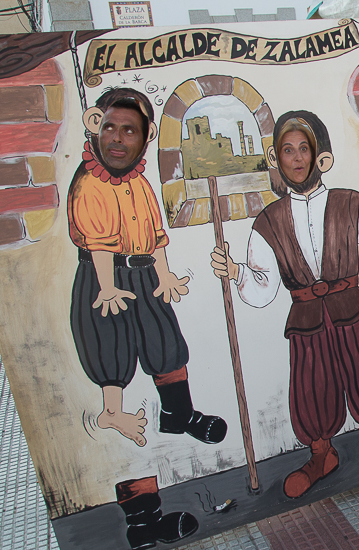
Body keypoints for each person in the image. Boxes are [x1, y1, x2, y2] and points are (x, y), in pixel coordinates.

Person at [210, 110, 359, 498]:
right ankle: (321, 453)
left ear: (319, 157)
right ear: (276, 159)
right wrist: (237, 272)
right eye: (287, 150)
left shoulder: (347, 203)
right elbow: (262, 283)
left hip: (351, 304)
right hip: (307, 316)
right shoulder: (268, 222)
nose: (296, 158)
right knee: (312, 384)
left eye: (303, 149)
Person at [67, 88, 217, 548]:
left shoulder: (140, 183)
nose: (116, 138)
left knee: (166, 344)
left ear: (145, 137)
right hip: (103, 281)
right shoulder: (89, 183)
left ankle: (178, 413)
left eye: (128, 130)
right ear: (96, 126)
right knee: (113, 362)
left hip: (143, 276)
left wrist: (166, 277)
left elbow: (154, 236)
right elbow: (98, 245)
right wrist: (109, 287)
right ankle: (141, 521)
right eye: (109, 126)